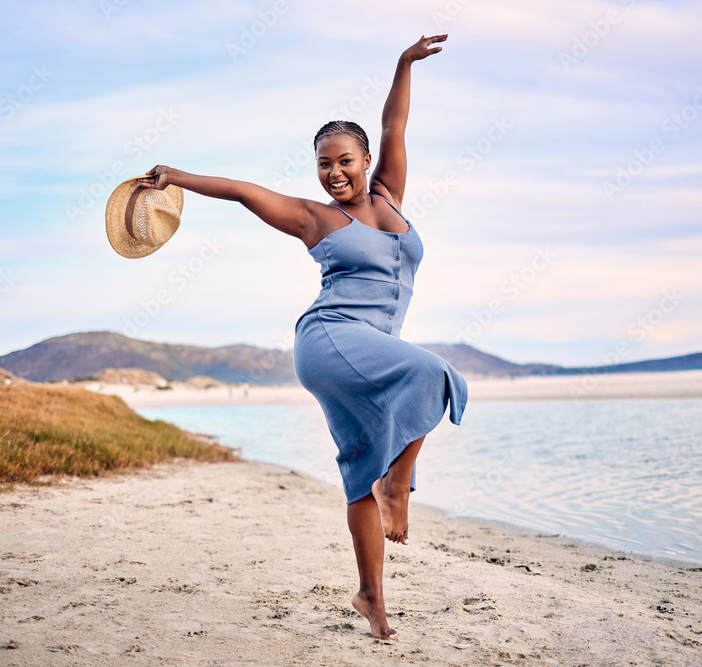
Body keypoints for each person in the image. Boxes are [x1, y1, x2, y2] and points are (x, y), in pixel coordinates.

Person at [137, 34, 467, 641]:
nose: (334, 171)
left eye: (344, 159)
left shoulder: (390, 195)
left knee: (357, 468)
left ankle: (371, 597)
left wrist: (402, 63)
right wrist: (175, 175)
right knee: (435, 372)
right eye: (323, 163)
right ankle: (399, 483)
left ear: (365, 161)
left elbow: (396, 123)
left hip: (367, 350)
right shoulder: (313, 218)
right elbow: (241, 190)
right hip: (330, 338)